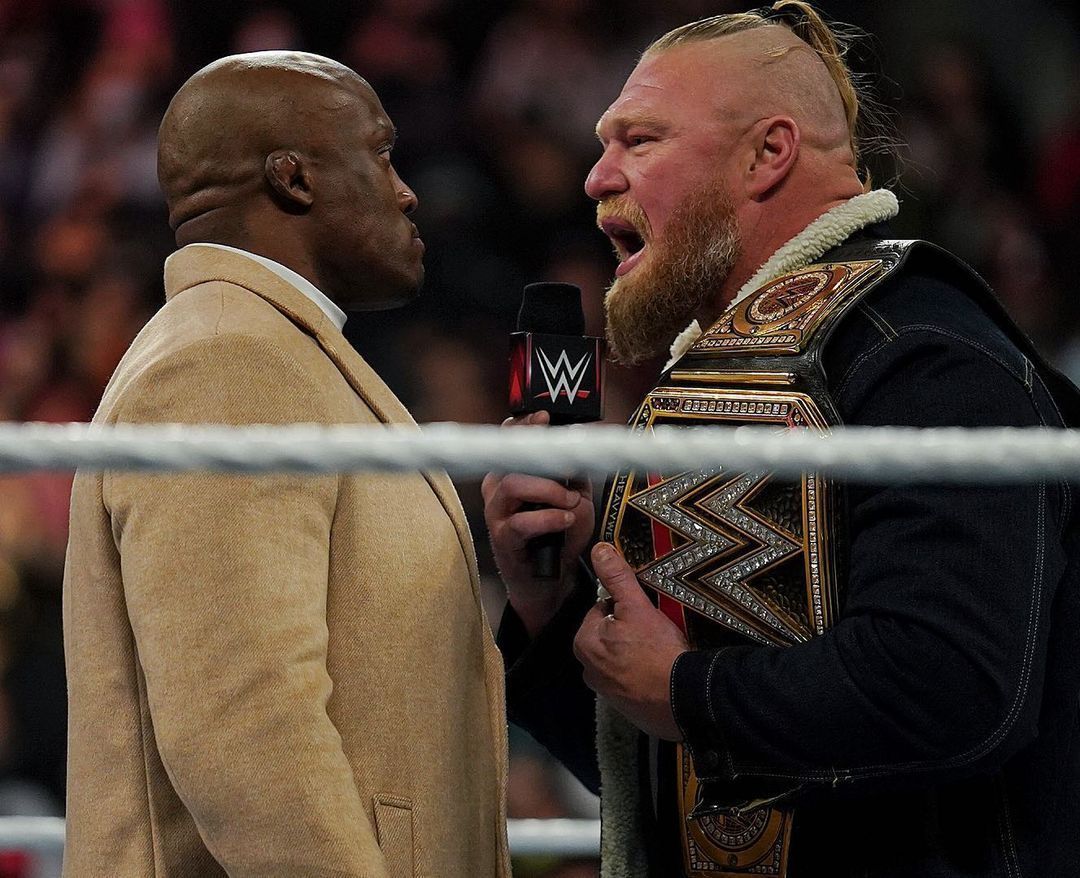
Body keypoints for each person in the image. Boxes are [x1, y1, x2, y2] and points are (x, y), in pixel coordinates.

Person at [483, 4, 1080, 877]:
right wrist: (554, 606)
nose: (595, 176)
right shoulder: (734, 373)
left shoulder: (924, 355)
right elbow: (679, 790)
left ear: (769, 154)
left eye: (640, 140)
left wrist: (690, 692)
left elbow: (957, 690)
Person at [63, 52, 510, 877]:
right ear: (293, 179)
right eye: (380, 154)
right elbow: (243, 730)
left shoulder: (271, 351)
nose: (406, 190)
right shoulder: (226, 364)